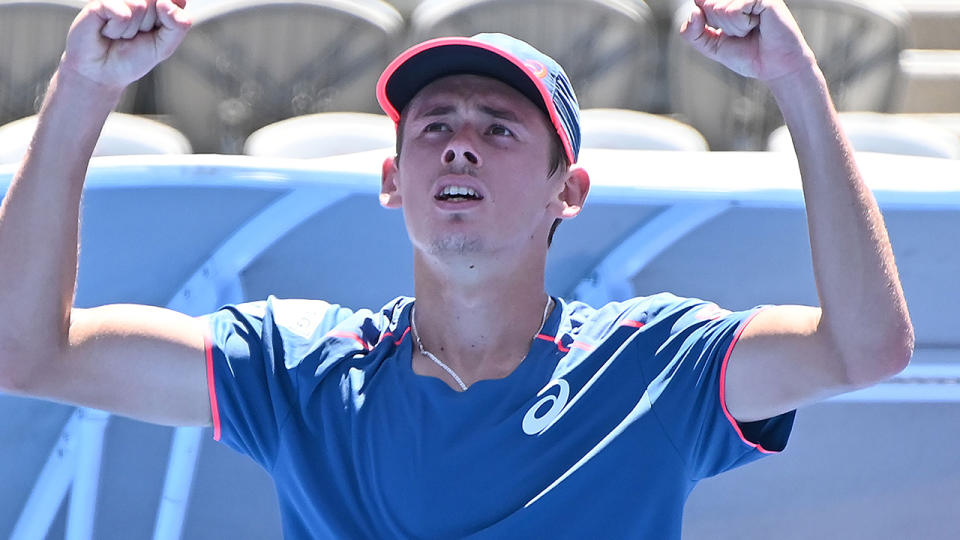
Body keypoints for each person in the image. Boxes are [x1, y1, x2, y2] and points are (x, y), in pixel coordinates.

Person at [0, 0, 913, 537]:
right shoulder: (294, 365)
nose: (461, 147)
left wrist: (799, 83)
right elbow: (29, 353)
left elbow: (865, 349)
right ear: (394, 180)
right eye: (434, 126)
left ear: (571, 190)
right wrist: (83, 91)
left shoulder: (656, 363)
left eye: (500, 128)